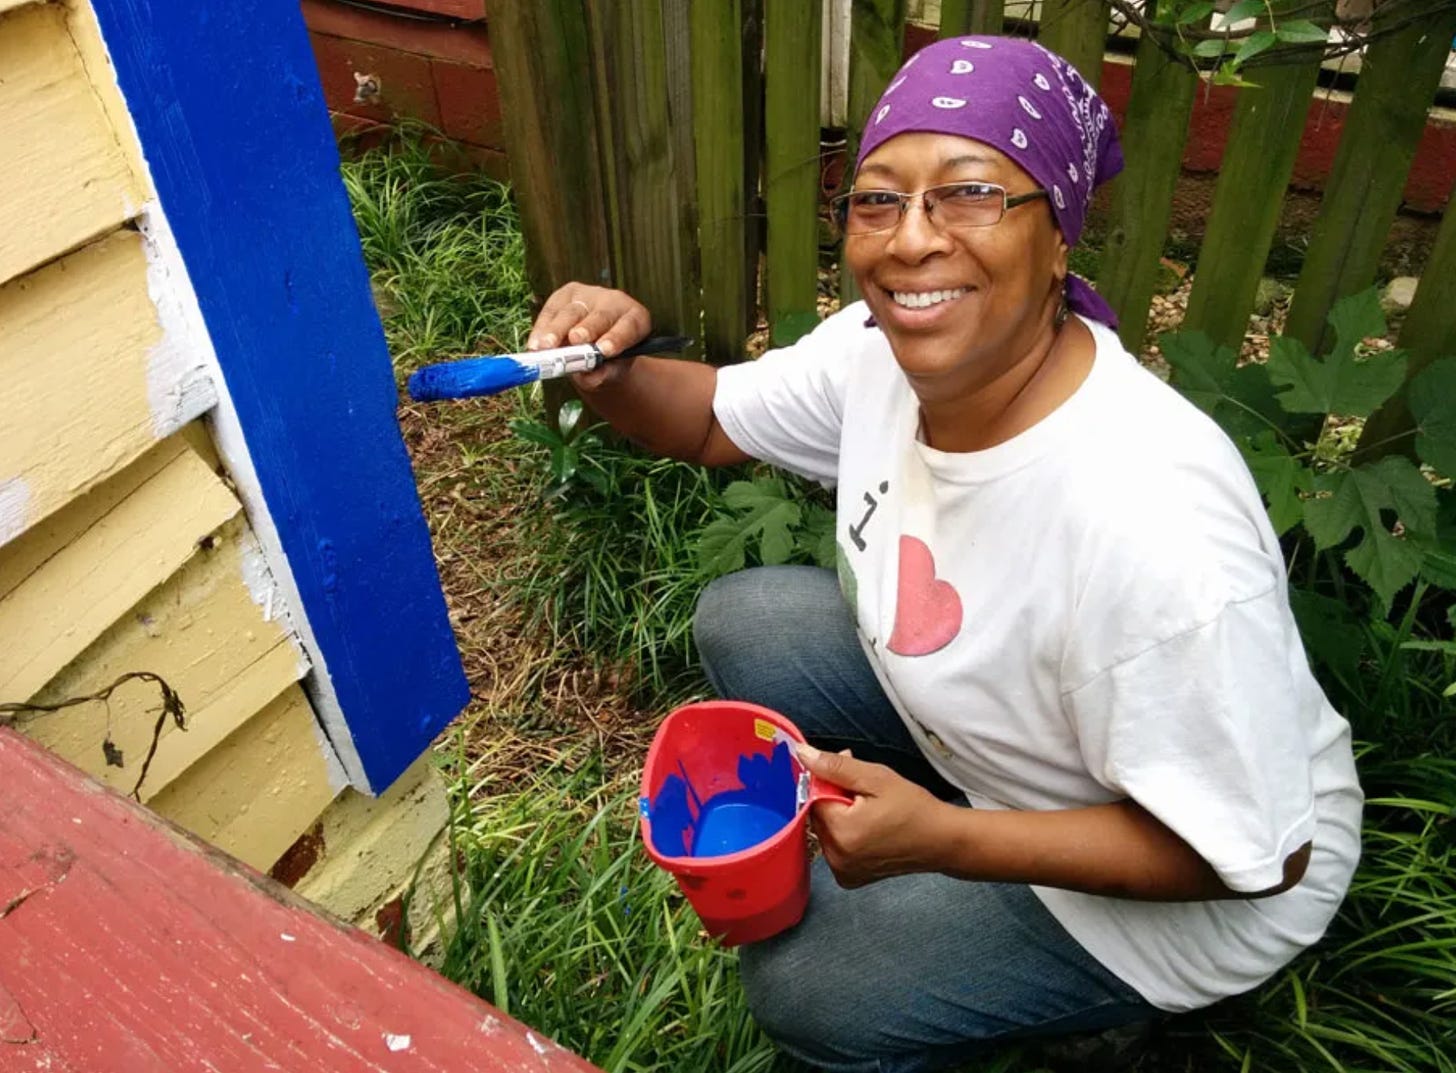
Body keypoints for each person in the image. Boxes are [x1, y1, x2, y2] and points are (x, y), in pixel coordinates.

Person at [523, 35, 1362, 1073]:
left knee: (809, 983)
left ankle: (1105, 1019)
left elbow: (1260, 856)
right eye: (877, 199)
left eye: (969, 194)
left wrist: (946, 841)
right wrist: (610, 372)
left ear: (1057, 239)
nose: (911, 239)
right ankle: (972, 816)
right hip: (1038, 751)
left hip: (1203, 879)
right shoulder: (879, 355)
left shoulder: (1152, 523)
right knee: (753, 619)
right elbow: (703, 421)